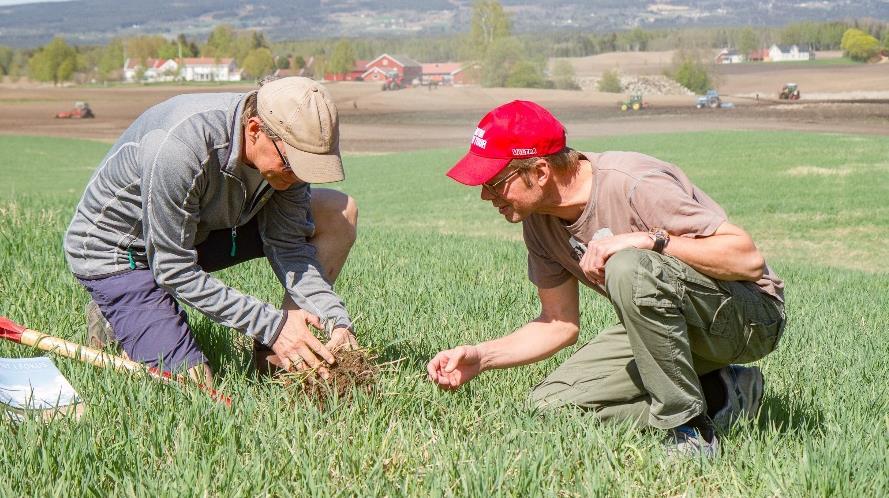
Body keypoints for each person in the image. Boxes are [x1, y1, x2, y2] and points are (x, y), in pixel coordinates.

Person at [426, 101, 785, 458]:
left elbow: (747, 259)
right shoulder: (539, 221)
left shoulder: (633, 183)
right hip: (666, 328)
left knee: (629, 266)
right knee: (549, 407)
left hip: (748, 318)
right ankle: (724, 394)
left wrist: (650, 239)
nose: (486, 195)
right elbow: (558, 323)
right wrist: (482, 358)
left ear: (539, 171)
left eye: (494, 182)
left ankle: (688, 430)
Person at [65, 76, 359, 385]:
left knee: (337, 213)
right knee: (194, 388)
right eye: (292, 164)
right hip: (123, 253)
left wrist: (335, 319)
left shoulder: (284, 156)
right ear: (255, 130)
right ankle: (119, 311)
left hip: (193, 234)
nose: (299, 177)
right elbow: (172, 267)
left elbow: (289, 245)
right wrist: (269, 323)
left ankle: (278, 356)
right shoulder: (180, 147)